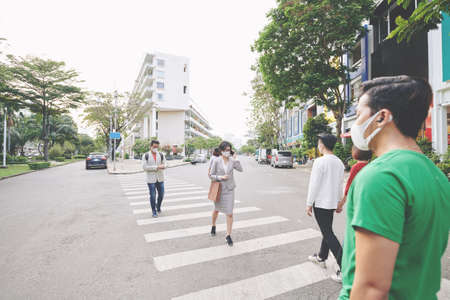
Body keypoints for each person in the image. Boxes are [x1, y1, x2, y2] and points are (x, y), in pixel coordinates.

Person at [339, 76, 450, 300]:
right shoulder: (436, 175)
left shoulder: (380, 176)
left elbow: (371, 288)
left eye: (360, 114)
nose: (355, 125)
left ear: (381, 117)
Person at [306, 133, 344, 282]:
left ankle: (345, 267)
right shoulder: (339, 163)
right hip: (331, 204)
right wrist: (339, 202)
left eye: (318, 142)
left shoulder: (320, 162)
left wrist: (309, 203)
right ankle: (322, 257)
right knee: (326, 230)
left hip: (321, 203)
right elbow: (340, 184)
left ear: (322, 145)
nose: (318, 145)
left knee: (328, 233)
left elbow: (314, 185)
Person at [209, 141, 243, 246]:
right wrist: (220, 177)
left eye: (229, 150)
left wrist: (236, 158)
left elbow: (241, 169)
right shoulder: (216, 161)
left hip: (229, 190)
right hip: (219, 189)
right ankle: (213, 225)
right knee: (216, 210)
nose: (227, 152)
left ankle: (228, 235)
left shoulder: (232, 161)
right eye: (225, 150)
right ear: (221, 151)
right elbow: (211, 175)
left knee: (229, 213)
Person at [336, 146, 372, 213]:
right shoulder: (371, 166)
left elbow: (349, 186)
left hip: (357, 197)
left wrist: (341, 204)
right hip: (369, 197)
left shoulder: (356, 167)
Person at [142, 140, 166, 218]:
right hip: (151, 179)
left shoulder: (161, 154)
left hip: (160, 178)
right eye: (154, 146)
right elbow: (144, 167)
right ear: (151, 146)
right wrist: (157, 167)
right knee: (153, 196)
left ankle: (158, 206)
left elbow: (166, 163)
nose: (155, 148)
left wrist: (164, 165)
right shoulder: (146, 155)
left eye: (157, 147)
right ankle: (154, 211)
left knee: (161, 194)